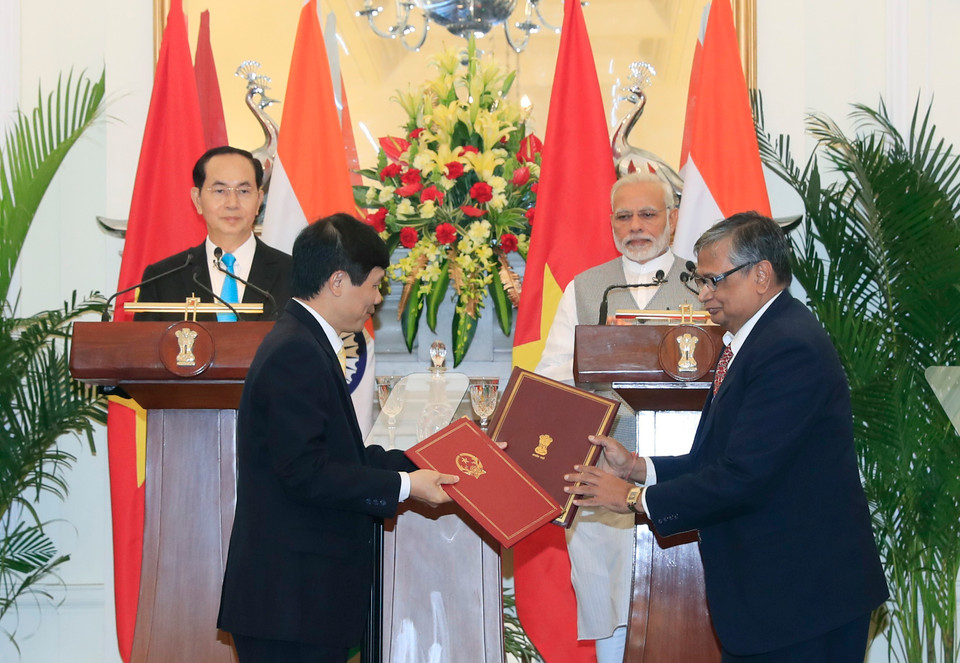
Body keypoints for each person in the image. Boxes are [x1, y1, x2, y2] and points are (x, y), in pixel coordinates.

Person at [566, 212, 889, 662]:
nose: (703, 295)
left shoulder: (787, 347)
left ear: (761, 274)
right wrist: (642, 467)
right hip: (779, 601)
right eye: (700, 281)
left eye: (714, 280)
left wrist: (634, 498)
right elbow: (720, 457)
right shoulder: (756, 338)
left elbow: (744, 476)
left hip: (804, 600)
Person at [217, 213, 459, 662]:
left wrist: (433, 459)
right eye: (374, 284)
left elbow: (343, 455)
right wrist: (407, 487)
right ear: (336, 282)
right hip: (290, 604)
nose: (378, 298)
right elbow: (308, 473)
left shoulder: (304, 341)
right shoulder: (296, 351)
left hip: (300, 604)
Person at [535, 171, 698, 662]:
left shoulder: (703, 284)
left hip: (683, 467)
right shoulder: (587, 289)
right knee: (609, 603)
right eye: (623, 216)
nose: (635, 226)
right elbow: (552, 378)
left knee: (685, 603)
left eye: (647, 214)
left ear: (671, 218)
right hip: (603, 473)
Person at [134, 145, 291, 321]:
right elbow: (145, 347)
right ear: (197, 200)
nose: (232, 203)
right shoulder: (162, 279)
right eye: (220, 191)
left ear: (259, 201)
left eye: (244, 191)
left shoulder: (294, 275)